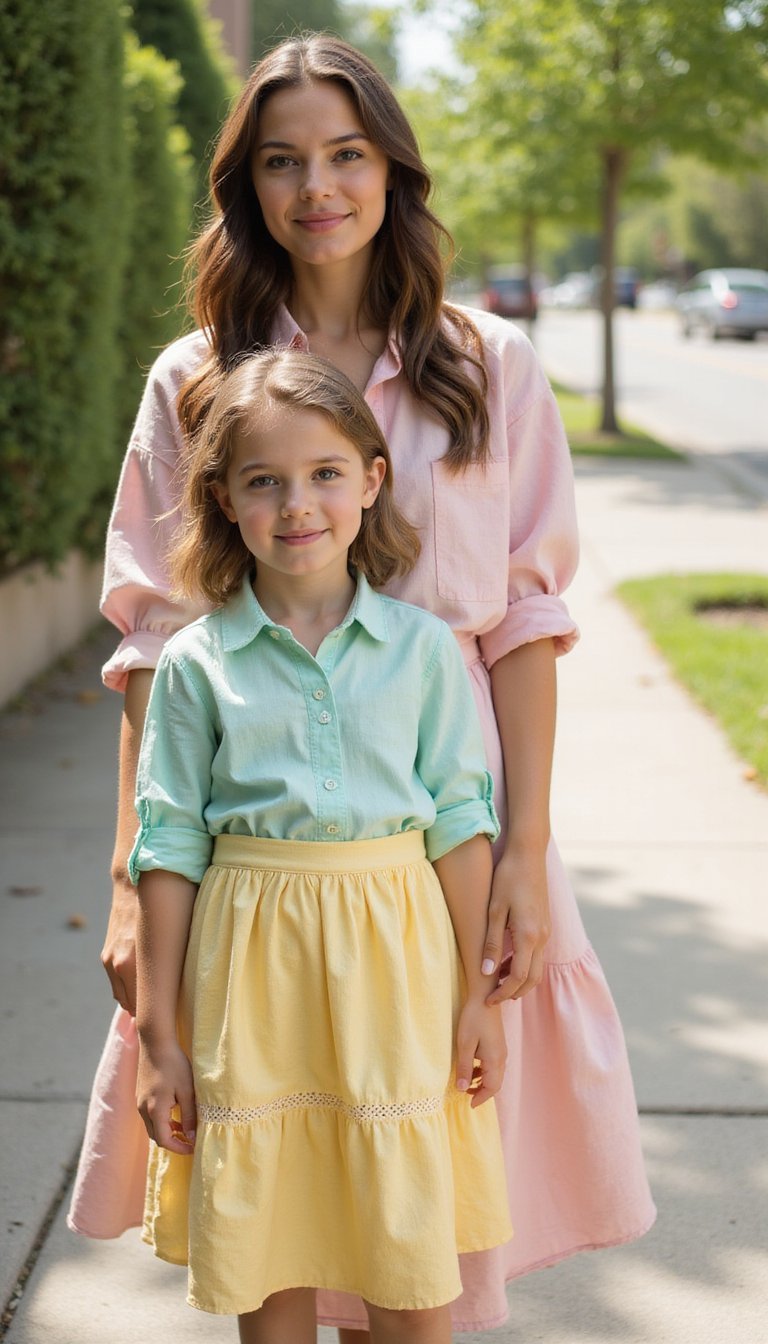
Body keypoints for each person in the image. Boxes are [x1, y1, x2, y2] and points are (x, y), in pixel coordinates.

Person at [68, 31, 655, 1337]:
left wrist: (521, 852)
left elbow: (524, 624)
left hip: (448, 833)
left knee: (424, 1229)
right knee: (276, 1199)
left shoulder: (487, 366)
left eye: (344, 154)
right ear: (246, 188)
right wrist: (127, 878)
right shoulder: (195, 380)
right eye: (281, 162)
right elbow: (157, 644)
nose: (315, 187)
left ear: (393, 170)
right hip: (260, 859)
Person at [129, 347, 512, 1341]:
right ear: (222, 499)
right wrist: (158, 1039)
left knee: (407, 1251)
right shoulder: (196, 666)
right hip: (252, 973)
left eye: (325, 474)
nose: (298, 504)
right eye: (264, 482)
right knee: (270, 1246)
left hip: (399, 972)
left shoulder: (424, 651)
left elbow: (461, 824)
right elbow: (167, 846)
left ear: (372, 479)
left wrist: (478, 995)